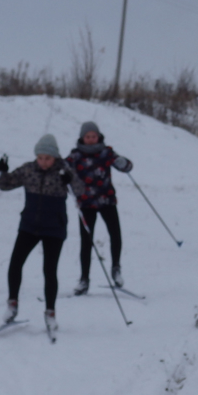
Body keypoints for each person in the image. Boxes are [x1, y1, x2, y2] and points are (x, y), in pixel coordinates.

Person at [0, 134, 84, 333]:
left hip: (54, 228)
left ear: (55, 157)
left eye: (48, 158)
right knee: (15, 263)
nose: (44, 162)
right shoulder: (29, 169)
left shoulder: (63, 171)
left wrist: (70, 180)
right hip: (29, 226)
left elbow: (80, 190)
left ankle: (50, 313)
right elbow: (4, 185)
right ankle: (12, 305)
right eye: (40, 157)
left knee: (49, 271)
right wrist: (1, 170)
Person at [65, 121, 133, 295]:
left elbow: (127, 167)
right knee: (86, 242)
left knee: (115, 234)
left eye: (93, 136)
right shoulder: (75, 155)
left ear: (98, 136)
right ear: (82, 137)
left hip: (107, 201)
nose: (91, 139)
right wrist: (64, 176)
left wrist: (123, 163)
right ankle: (84, 279)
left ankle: (116, 268)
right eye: (87, 137)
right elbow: (62, 169)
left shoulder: (106, 152)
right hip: (86, 204)